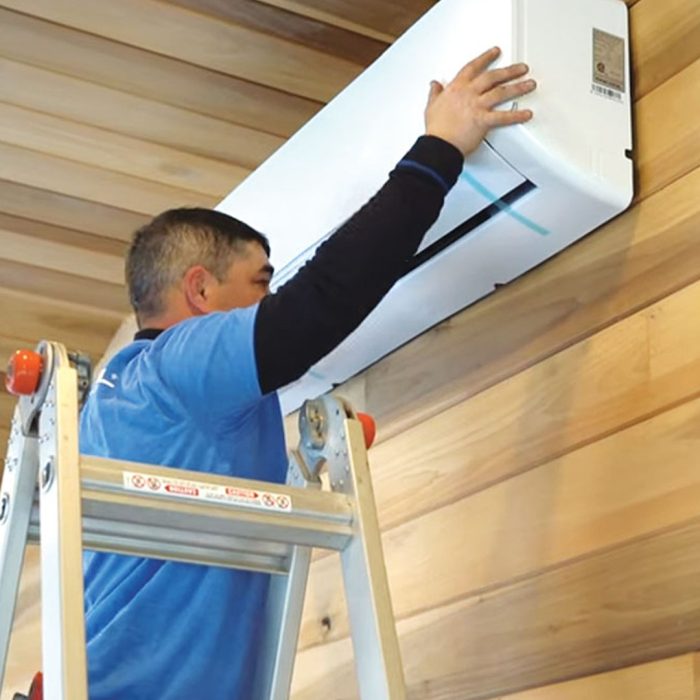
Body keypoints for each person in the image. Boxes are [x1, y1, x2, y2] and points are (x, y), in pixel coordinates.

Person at [80, 47, 536, 699]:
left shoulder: (116, 400)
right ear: (201, 292)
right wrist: (440, 147)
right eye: (261, 283)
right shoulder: (176, 366)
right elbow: (318, 304)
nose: (269, 301)